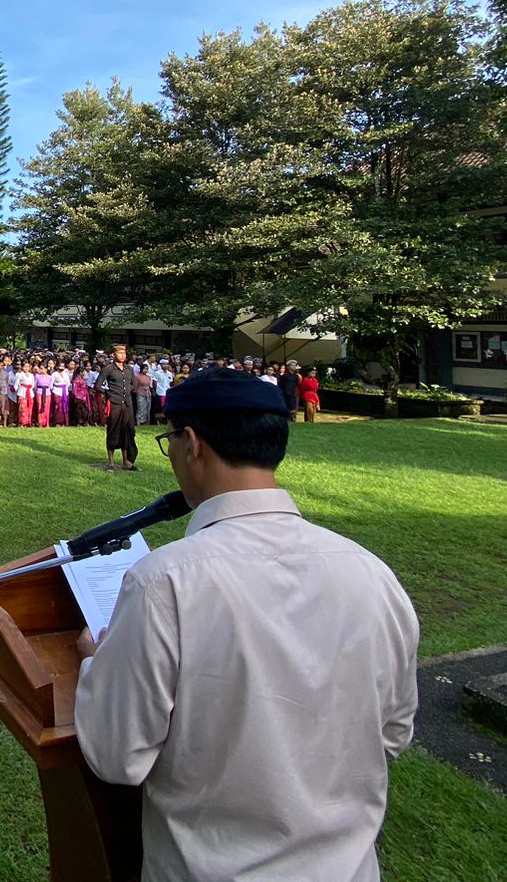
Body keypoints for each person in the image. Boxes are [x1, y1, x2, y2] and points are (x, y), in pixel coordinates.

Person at [73, 367, 419, 881]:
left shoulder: (164, 582)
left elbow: (116, 755)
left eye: (168, 442)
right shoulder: (372, 574)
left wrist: (94, 662)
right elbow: (393, 733)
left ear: (191, 444)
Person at [97, 344, 140, 472]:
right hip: (114, 403)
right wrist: (109, 393)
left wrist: (127, 391)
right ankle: (111, 462)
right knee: (113, 430)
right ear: (113, 355)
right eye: (119, 353)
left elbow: (134, 384)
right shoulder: (108, 368)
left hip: (127, 403)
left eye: (124, 353)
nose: (122, 355)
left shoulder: (129, 369)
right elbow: (97, 385)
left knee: (127, 430)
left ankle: (126, 461)